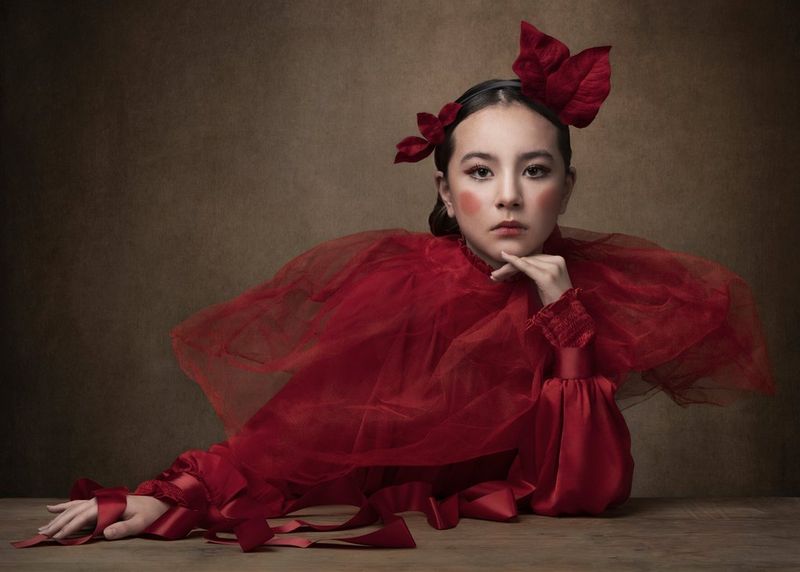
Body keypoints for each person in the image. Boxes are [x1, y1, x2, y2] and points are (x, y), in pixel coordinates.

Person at [17, 20, 775, 552]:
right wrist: (177, 494)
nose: (509, 195)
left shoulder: (580, 299)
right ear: (446, 194)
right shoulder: (403, 289)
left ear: (565, 191)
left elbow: (581, 496)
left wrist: (567, 325)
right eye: (481, 172)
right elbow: (292, 437)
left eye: (534, 171)